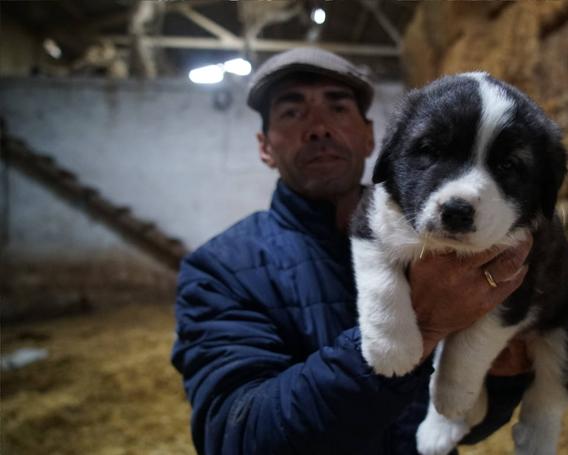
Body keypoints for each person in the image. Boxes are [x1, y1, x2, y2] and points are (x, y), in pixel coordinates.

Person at [171, 47, 533, 455]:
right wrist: (416, 327)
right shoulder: (221, 270)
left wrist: (502, 381)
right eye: (292, 113)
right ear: (264, 147)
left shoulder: (455, 236)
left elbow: (451, 423)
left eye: (338, 108)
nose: (319, 127)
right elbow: (234, 437)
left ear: (369, 137)